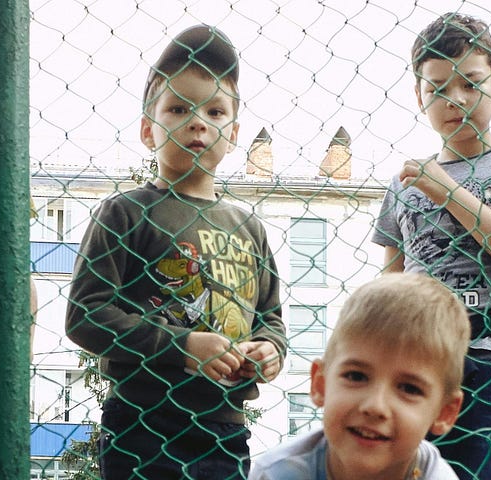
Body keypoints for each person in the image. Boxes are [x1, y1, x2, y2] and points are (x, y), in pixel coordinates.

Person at [66, 24, 286, 480]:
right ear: (149, 130)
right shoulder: (125, 212)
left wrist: (269, 350)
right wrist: (182, 346)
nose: (199, 122)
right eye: (179, 108)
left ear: (235, 131)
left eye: (215, 111)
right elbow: (85, 315)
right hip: (143, 421)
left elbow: (271, 316)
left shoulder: (249, 226)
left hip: (225, 428)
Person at [370, 12, 491, 480]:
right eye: (437, 87)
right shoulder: (402, 186)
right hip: (414, 359)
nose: (455, 99)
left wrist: (446, 192)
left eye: (470, 83)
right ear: (419, 96)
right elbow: (389, 281)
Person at [250, 273, 468, 480]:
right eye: (356, 376)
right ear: (320, 384)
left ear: (444, 412)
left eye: (409, 389)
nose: (375, 406)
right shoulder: (277, 473)